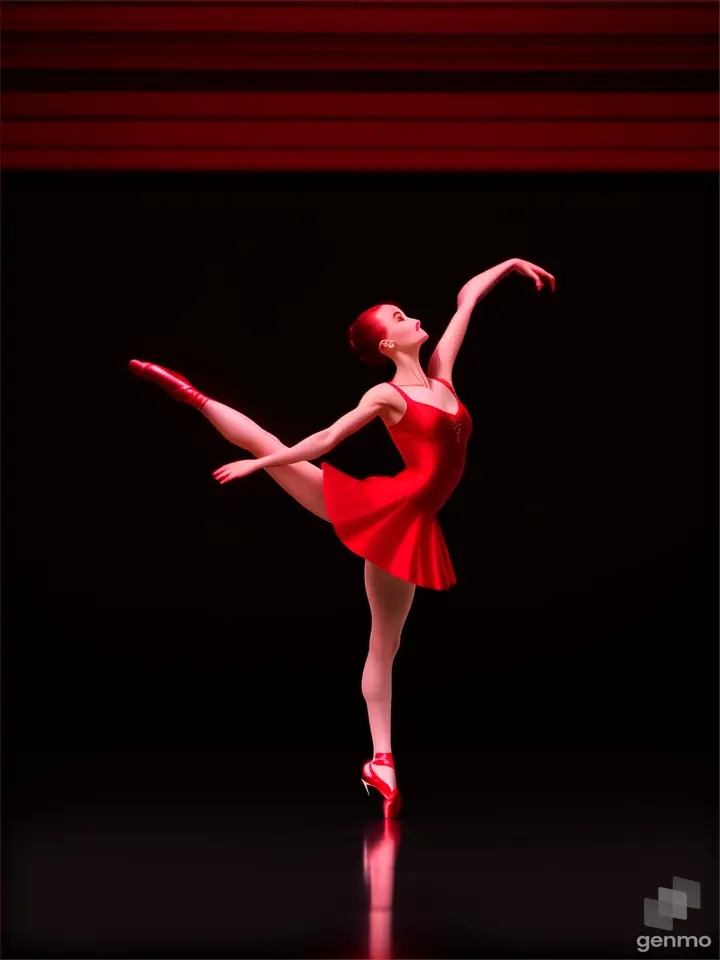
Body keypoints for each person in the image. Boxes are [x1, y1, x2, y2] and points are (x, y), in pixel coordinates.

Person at [128, 257, 555, 818]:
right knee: (266, 446)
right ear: (386, 345)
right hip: (383, 510)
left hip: (415, 526)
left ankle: (379, 764)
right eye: (399, 316)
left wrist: (510, 266)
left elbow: (466, 299)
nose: (412, 317)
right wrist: (264, 468)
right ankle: (191, 395)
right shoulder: (386, 397)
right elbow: (326, 439)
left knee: (387, 646)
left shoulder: (443, 372)